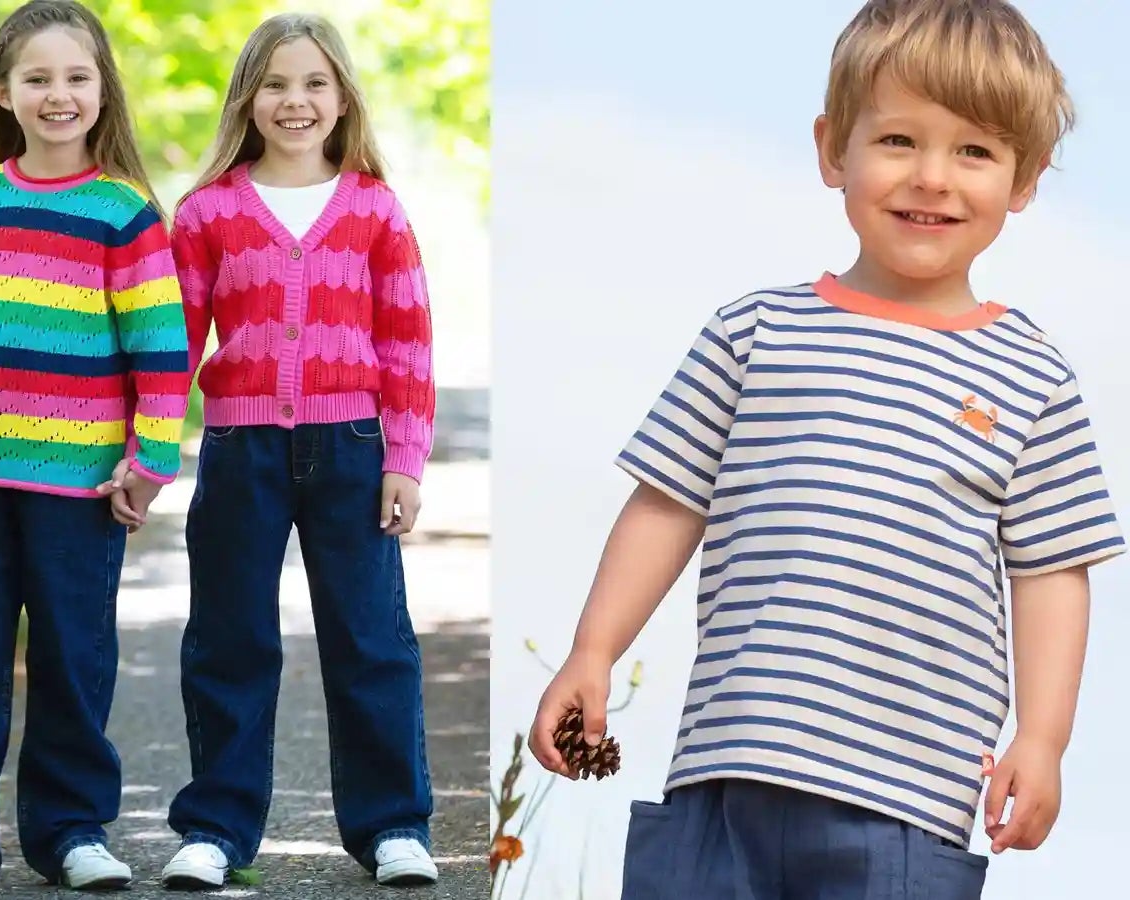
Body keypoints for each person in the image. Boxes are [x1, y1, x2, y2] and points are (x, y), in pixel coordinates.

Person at [529, 2, 1119, 897]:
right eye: (897, 141)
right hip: (725, 775)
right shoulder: (753, 331)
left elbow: (1052, 572)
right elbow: (667, 502)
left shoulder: (1031, 376)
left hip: (907, 801)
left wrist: (1042, 739)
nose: (932, 178)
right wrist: (593, 649)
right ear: (833, 147)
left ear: (1026, 177)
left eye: (975, 151)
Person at [0, 0, 187, 893]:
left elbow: (162, 352)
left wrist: (150, 461)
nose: (57, 94)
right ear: (5, 91)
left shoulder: (123, 213)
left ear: (102, 91)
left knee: (73, 657)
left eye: (76, 76)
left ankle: (69, 831)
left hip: (80, 486)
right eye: (37, 78)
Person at [157, 11, 439, 889]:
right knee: (229, 640)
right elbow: (175, 345)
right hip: (241, 446)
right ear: (249, 97)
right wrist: (153, 453)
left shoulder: (372, 210)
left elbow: (408, 342)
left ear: (342, 98)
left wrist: (405, 459)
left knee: (370, 639)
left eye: (315, 83)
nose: (295, 101)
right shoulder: (208, 213)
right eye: (276, 84)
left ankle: (393, 825)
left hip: (352, 445)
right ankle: (215, 830)